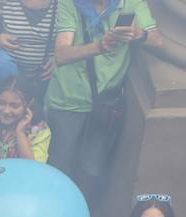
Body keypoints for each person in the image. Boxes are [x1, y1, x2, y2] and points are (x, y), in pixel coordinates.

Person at [44, 0, 160, 201]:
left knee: (91, 168)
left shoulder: (131, 4)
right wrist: (100, 46)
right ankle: (51, 212)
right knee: (59, 166)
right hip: (68, 99)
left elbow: (157, 40)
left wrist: (138, 34)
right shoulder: (70, 3)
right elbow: (62, 54)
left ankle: (80, 216)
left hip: (105, 104)